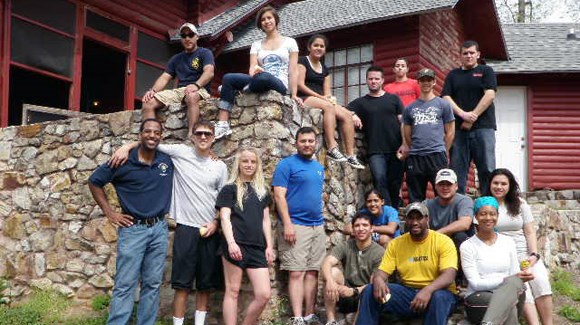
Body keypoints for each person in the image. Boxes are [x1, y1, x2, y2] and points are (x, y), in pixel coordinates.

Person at [110, 121, 228, 325]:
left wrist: (216, 223)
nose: (202, 137)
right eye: (198, 133)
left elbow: (223, 199)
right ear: (192, 136)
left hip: (210, 229)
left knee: (205, 285)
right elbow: (150, 141)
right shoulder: (180, 152)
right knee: (181, 285)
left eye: (207, 134)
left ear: (213, 137)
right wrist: (126, 146)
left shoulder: (220, 166)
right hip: (185, 227)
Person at [88, 118, 173, 325]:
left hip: (159, 229)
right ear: (140, 134)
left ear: (161, 136)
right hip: (133, 230)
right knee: (125, 284)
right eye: (148, 132)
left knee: (152, 285)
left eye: (156, 132)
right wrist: (110, 213)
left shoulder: (166, 160)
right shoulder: (122, 161)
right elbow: (94, 181)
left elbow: (195, 153)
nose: (152, 135)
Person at [355, 202, 458, 325]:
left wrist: (427, 290)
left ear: (427, 219)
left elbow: (449, 275)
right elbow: (382, 272)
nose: (415, 222)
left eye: (419, 218)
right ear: (405, 220)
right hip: (408, 295)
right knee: (370, 290)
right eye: (411, 218)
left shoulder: (443, 241)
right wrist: (378, 280)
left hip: (439, 293)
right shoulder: (396, 244)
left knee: (439, 297)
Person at [216, 5, 300, 139]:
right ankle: (222, 123)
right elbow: (252, 67)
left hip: (279, 83)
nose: (266, 21)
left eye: (269, 18)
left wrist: (294, 94)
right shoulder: (256, 45)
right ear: (260, 24)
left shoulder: (290, 42)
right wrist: (255, 72)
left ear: (275, 20)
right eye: (263, 20)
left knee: (265, 77)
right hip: (258, 78)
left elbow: (293, 70)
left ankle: (243, 90)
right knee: (228, 78)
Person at [272, 127, 326, 325]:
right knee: (296, 272)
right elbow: (279, 195)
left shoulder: (319, 167)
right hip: (295, 225)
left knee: (313, 271)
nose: (307, 144)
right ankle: (296, 318)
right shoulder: (286, 165)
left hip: (317, 226)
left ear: (315, 143)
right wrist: (287, 224)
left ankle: (309, 315)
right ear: (296, 142)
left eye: (311, 141)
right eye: (303, 141)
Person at [486, 168, 553, 325]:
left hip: (526, 256)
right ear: (489, 184)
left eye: (503, 183)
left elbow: (529, 232)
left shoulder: (520, 203)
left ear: (510, 186)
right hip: (505, 259)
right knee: (524, 289)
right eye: (495, 183)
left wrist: (534, 255)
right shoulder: (485, 205)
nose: (499, 187)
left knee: (541, 282)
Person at [217, 148, 274, 325]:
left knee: (264, 294)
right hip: (235, 245)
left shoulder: (262, 192)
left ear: (257, 165)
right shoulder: (229, 189)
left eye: (252, 162)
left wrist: (269, 246)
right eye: (245, 161)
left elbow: (266, 221)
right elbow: (225, 218)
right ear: (238, 164)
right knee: (232, 291)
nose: (249, 165)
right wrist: (231, 243)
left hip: (257, 247)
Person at [460, 196, 534, 325]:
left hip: (506, 292)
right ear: (475, 217)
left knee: (510, 294)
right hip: (479, 295)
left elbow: (515, 274)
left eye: (492, 214)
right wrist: (506, 281)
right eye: (483, 214)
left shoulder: (508, 242)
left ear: (497, 216)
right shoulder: (467, 246)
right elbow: (476, 284)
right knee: (506, 302)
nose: (488, 218)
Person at [297, 34, 364, 169]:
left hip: (321, 99)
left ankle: (350, 155)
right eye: (316, 45)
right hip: (305, 96)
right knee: (328, 106)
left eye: (322, 46)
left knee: (346, 115)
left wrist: (331, 100)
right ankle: (332, 148)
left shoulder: (325, 69)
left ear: (325, 49)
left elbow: (327, 93)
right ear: (309, 47)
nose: (319, 48)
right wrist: (322, 98)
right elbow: (300, 85)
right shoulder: (302, 61)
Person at [442, 40, 497, 195]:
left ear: (478, 54)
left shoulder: (486, 71)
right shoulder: (453, 75)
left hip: (484, 128)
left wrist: (473, 116)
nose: (469, 56)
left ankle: (488, 204)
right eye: (465, 53)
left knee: (487, 168)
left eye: (472, 53)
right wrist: (462, 114)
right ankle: (460, 207)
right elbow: (446, 96)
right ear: (460, 55)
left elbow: (490, 94)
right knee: (457, 169)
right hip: (459, 131)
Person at [141, 23, 215, 138]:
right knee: (148, 102)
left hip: (200, 89)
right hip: (180, 91)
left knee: (192, 96)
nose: (187, 38)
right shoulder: (176, 58)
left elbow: (209, 72)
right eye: (184, 36)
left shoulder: (205, 53)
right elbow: (165, 77)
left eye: (190, 35)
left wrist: (196, 85)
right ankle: (152, 137)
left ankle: (192, 135)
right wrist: (153, 91)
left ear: (197, 37)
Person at [348, 66, 406, 208]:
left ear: (382, 81)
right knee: (379, 180)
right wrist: (353, 115)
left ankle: (394, 214)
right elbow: (344, 109)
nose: (373, 81)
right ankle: (388, 212)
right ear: (367, 81)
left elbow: (404, 122)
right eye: (370, 79)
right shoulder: (360, 103)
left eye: (376, 79)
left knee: (395, 182)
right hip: (375, 151)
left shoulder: (393, 99)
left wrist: (405, 143)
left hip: (396, 149)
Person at [321, 213, 385, 325]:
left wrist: (353, 291)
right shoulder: (346, 245)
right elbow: (327, 262)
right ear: (353, 230)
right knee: (332, 272)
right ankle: (331, 320)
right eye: (357, 225)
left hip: (365, 294)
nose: (361, 229)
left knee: (372, 287)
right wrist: (331, 281)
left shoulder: (379, 252)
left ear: (371, 229)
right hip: (345, 290)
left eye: (365, 225)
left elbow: (374, 284)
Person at [402, 68, 455, 202]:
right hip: (416, 157)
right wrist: (415, 147)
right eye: (422, 80)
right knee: (415, 196)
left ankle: (442, 222)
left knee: (442, 194)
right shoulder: (409, 108)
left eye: (429, 80)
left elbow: (450, 131)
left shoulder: (443, 104)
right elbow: (407, 134)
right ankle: (417, 222)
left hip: (437, 155)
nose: (426, 83)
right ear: (418, 83)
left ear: (434, 82)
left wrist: (444, 150)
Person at [424, 168, 473, 249]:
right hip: (434, 244)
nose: (445, 187)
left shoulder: (464, 201)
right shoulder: (427, 204)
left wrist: (436, 234)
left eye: (449, 184)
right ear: (435, 186)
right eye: (441, 184)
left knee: (460, 236)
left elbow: (465, 223)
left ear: (456, 186)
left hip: (456, 243)